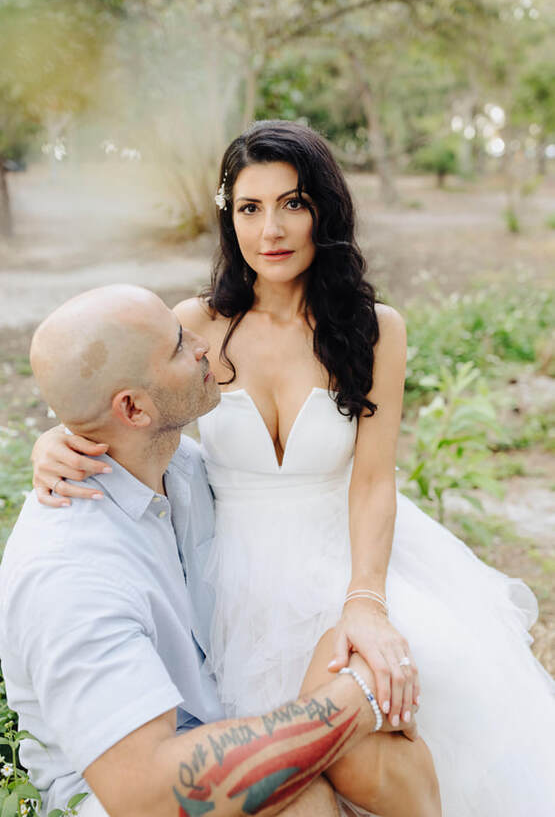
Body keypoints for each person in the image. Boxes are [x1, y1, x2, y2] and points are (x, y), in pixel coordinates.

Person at [32, 121, 555, 816]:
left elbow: (371, 480)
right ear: (229, 216)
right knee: (284, 769)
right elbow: (121, 395)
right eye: (249, 208)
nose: (270, 229)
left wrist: (365, 601)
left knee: (382, 747)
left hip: (349, 557)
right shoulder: (199, 323)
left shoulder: (376, 329)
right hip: (231, 578)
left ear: (323, 211)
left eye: (292, 203)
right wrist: (56, 438)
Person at [0, 284, 417, 817]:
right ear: (133, 408)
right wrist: (351, 704)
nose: (204, 345)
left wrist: (61, 432)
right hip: (115, 794)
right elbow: (142, 792)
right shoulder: (70, 573)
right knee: (306, 795)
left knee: (362, 681)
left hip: (214, 721)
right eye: (178, 344)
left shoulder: (180, 468)